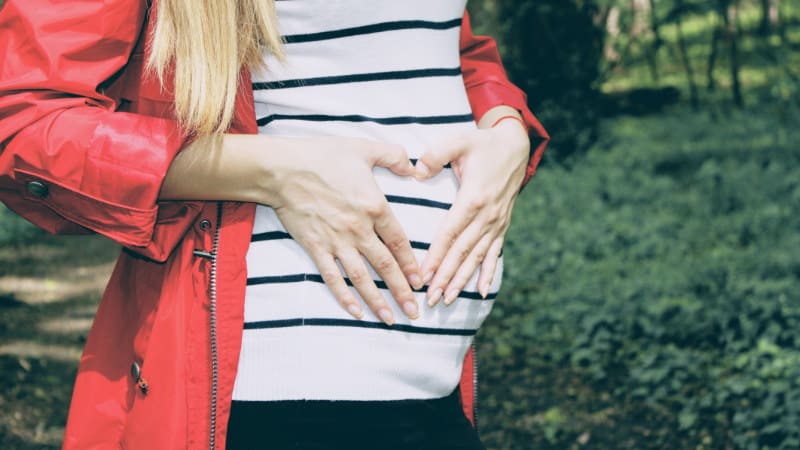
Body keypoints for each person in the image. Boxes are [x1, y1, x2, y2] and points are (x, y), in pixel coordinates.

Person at [0, 0, 548, 448]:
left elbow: (432, 38)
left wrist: (505, 128)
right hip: (268, 385)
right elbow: (27, 121)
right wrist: (276, 170)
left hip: (435, 381)